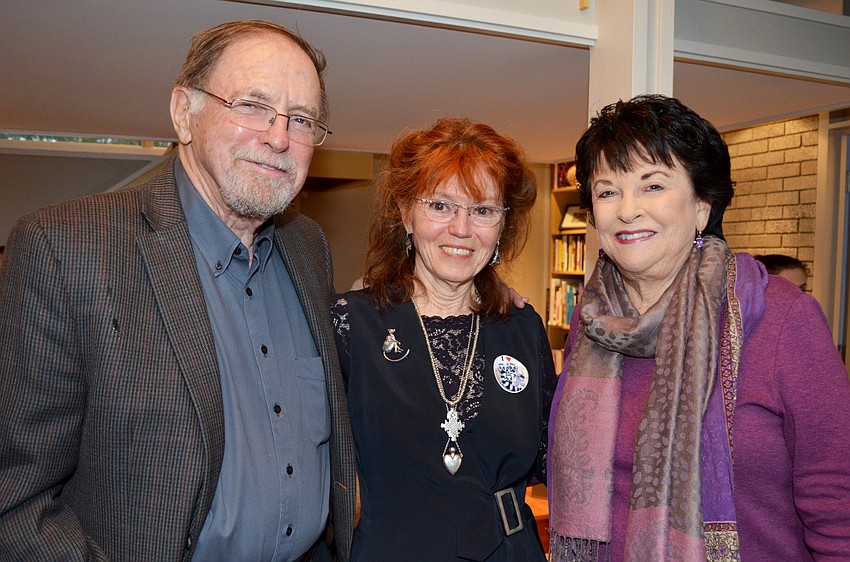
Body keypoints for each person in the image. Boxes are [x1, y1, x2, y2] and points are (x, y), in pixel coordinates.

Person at [0, 20, 355, 561]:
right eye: (252, 105)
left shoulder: (307, 248)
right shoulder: (67, 248)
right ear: (183, 112)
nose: (279, 136)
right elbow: (18, 500)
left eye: (300, 119)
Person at [547, 94, 850, 561]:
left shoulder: (783, 318)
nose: (627, 209)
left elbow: (836, 501)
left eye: (653, 186)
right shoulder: (589, 324)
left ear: (703, 206)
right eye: (608, 191)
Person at [331, 117, 556, 561]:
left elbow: (555, 460)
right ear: (405, 214)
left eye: (483, 210)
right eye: (440, 205)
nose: (461, 228)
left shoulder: (524, 327)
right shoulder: (349, 325)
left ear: (501, 227)